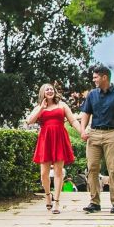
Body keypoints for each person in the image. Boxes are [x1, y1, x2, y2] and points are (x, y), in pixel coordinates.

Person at [79, 65, 114, 214]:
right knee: (92, 168)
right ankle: (94, 202)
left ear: (104, 77)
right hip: (94, 133)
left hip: (113, 134)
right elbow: (85, 113)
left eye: (96, 77)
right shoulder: (91, 94)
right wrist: (83, 129)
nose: (93, 80)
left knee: (113, 169)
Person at [27, 83, 84, 214]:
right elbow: (30, 121)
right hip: (45, 139)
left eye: (51, 89)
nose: (50, 91)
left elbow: (73, 121)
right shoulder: (39, 107)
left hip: (59, 138)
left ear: (54, 91)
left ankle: (57, 203)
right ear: (42, 92)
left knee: (59, 172)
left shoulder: (62, 105)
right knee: (43, 174)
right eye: (47, 89)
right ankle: (48, 196)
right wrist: (41, 108)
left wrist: (82, 132)